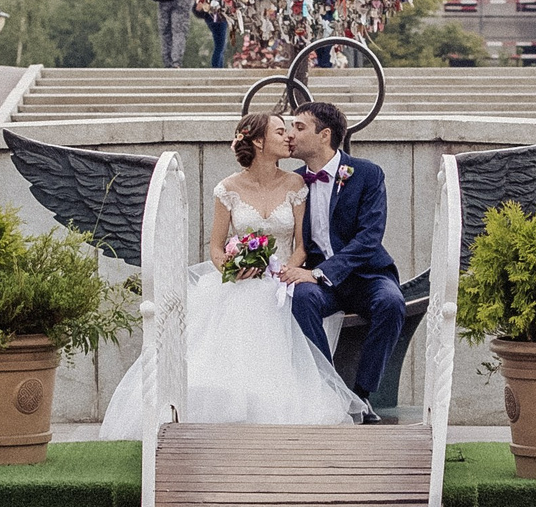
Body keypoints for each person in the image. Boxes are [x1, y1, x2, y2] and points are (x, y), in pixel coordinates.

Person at [97, 112, 366, 439]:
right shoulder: (227, 189)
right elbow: (215, 248)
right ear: (258, 141)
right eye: (280, 132)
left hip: (280, 282)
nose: (288, 138)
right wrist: (233, 268)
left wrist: (283, 270)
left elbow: (301, 245)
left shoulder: (297, 185)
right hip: (235, 285)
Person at [280, 100, 402, 425]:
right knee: (301, 298)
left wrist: (319, 273)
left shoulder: (367, 174)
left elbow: (369, 239)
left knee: (391, 303)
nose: (291, 134)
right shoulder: (292, 182)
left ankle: (362, 395)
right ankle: (330, 390)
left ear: (325, 135)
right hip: (318, 281)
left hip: (367, 274)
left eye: (299, 127)